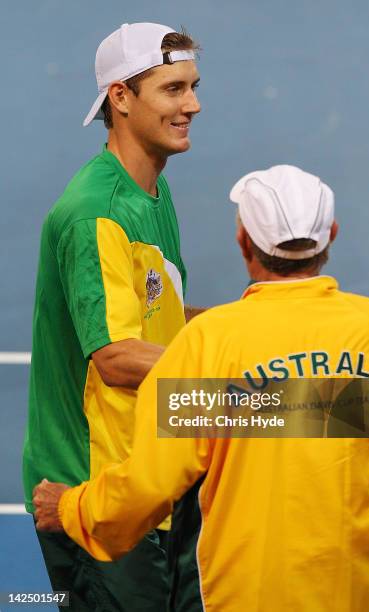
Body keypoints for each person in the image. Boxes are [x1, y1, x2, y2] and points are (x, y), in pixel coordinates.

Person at [34, 165, 369, 611]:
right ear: (332, 233)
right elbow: (341, 415)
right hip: (356, 594)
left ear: (244, 242)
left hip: (250, 596)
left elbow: (150, 487)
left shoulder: (212, 342)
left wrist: (74, 508)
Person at [24, 22, 201, 611]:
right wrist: (252, 392)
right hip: (98, 496)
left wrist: (255, 329)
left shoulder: (150, 188)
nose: (192, 105)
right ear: (121, 98)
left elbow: (162, 317)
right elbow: (119, 357)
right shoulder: (95, 212)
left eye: (192, 87)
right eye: (173, 90)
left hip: (151, 478)